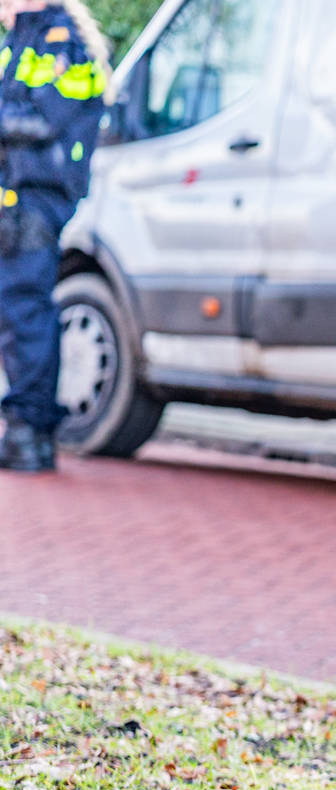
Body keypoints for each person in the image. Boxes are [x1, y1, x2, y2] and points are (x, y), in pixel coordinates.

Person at [0, 0, 108, 474]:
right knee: (17, 307)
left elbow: (46, 119)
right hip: (19, 194)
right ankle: (28, 430)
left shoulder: (62, 42)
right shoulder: (23, 39)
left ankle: (29, 429)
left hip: (40, 196)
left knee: (25, 307)